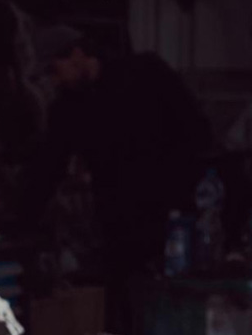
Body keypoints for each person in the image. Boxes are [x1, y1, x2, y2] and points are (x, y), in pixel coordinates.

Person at [28, 28, 210, 303]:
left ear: (77, 54)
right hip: (119, 230)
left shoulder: (147, 74)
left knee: (172, 300)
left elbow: (197, 133)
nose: (55, 80)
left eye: (55, 69)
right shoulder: (70, 107)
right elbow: (48, 168)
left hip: (171, 220)